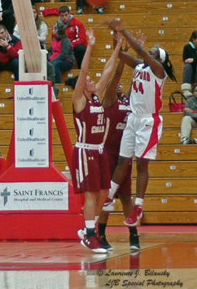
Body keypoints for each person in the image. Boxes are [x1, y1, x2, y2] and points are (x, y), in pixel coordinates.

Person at [104, 19, 177, 228]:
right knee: (122, 161)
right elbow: (120, 55)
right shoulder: (139, 66)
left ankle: (138, 206)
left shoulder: (157, 70)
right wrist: (116, 40)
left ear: (158, 59)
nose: (149, 52)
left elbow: (140, 50)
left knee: (141, 163)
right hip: (133, 118)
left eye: (153, 52)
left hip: (148, 120)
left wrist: (123, 29)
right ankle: (108, 195)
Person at [71, 29, 122, 253]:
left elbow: (108, 71)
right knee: (91, 194)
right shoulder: (78, 101)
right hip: (84, 152)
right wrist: (90, 46)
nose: (92, 82)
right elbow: (83, 72)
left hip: (99, 151)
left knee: (104, 193)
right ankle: (90, 236)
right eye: (88, 81)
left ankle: (88, 230)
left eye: (92, 81)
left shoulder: (97, 97)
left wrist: (119, 46)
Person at [97, 51, 140, 252]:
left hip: (125, 154)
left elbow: (135, 85)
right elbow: (116, 77)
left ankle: (133, 236)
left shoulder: (129, 102)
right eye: (117, 85)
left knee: (125, 196)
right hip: (109, 152)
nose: (120, 86)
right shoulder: (108, 101)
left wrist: (138, 57)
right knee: (107, 194)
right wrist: (120, 55)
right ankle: (101, 234)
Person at [181, 31, 197, 98]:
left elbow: (192, 60)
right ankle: (186, 89)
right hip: (191, 68)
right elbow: (185, 59)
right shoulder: (187, 47)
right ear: (194, 39)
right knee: (187, 66)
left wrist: (193, 60)